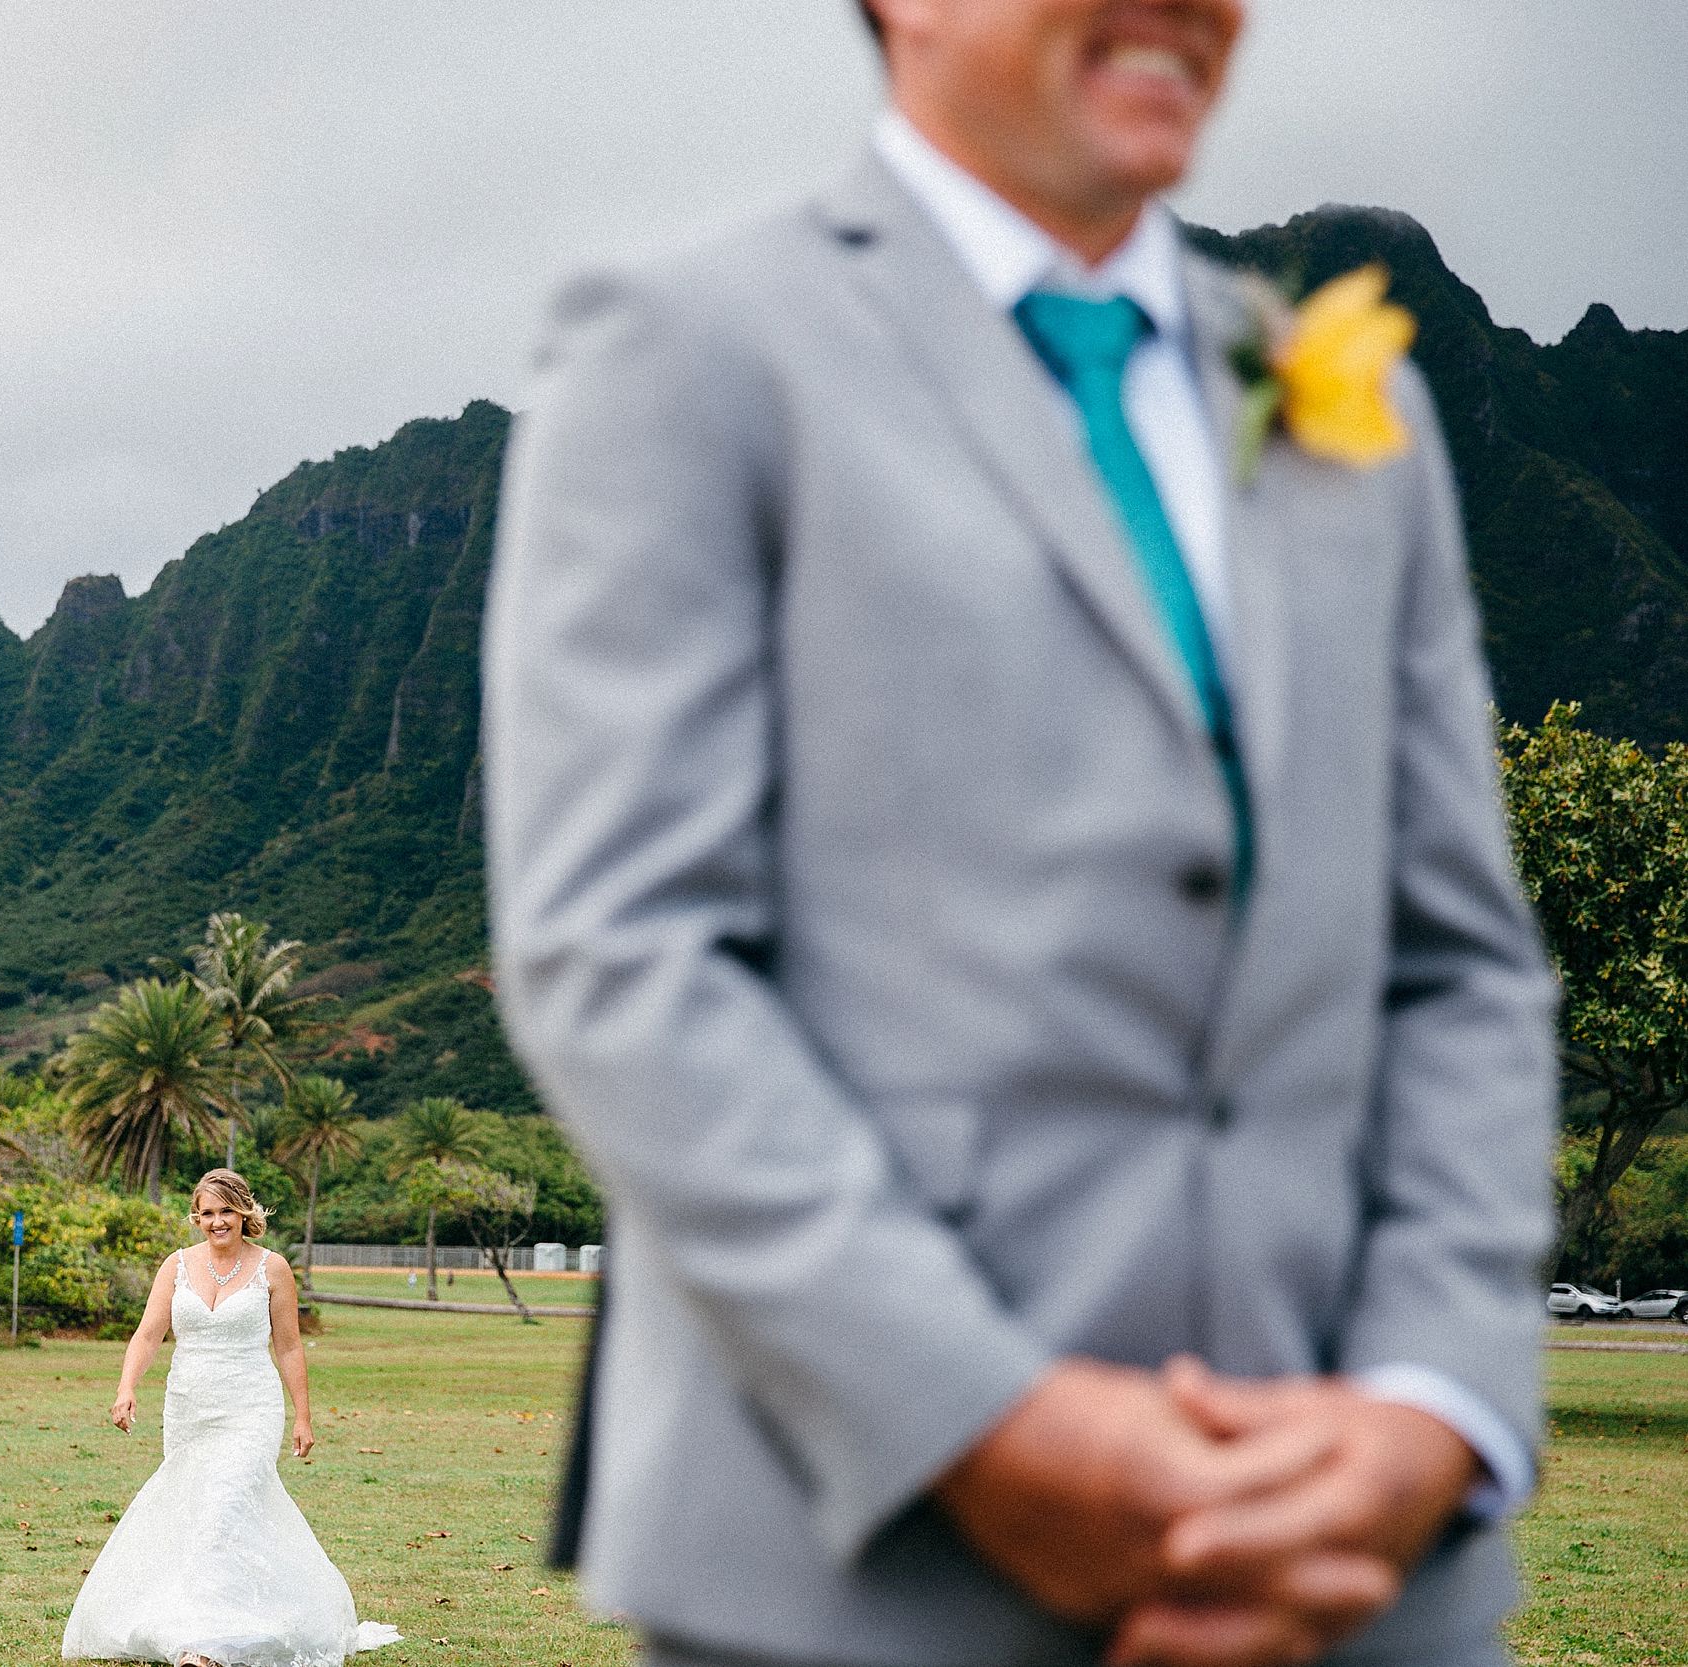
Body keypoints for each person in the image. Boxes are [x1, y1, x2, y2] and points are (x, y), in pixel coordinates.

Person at [481, 2, 1556, 1665]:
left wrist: (1429, 1409)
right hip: (875, 1576)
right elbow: (621, 951)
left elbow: (1462, 972)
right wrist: (981, 1419)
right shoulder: (688, 350)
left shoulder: (1357, 414)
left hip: (1356, 1573)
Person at [63, 1170, 401, 1667]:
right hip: (189, 1405)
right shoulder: (175, 1266)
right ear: (196, 1218)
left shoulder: (273, 1268)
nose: (217, 1222)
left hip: (250, 1406)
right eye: (207, 1213)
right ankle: (192, 1618)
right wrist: (126, 1388)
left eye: (226, 1211)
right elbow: (148, 1333)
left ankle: (208, 1642)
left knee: (226, 1501)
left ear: (245, 1213)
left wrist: (303, 1417)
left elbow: (287, 1346)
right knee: (197, 1508)